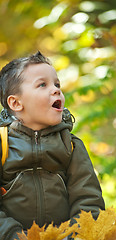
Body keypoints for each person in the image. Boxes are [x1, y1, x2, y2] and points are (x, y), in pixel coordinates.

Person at [0, 51, 105, 240]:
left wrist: (74, 236)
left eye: (57, 84)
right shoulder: (2, 144)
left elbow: (88, 200)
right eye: (43, 84)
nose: (56, 90)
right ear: (16, 103)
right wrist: (14, 236)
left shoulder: (71, 146)